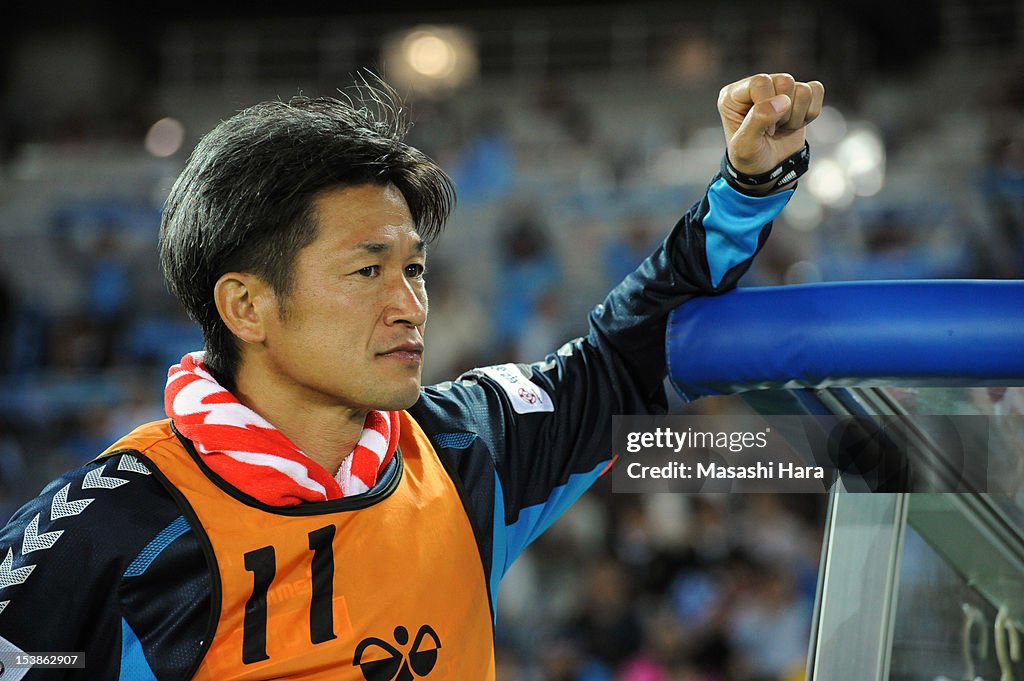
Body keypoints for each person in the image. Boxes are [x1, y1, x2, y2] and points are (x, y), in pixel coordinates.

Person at [0, 72, 824, 680]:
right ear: (247, 306)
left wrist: (747, 188)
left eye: (418, 269)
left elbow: (624, 360)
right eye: (368, 272)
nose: (410, 306)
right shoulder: (106, 533)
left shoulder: (470, 450)